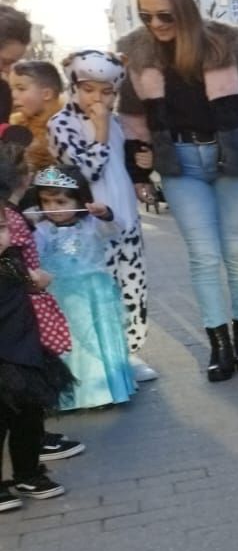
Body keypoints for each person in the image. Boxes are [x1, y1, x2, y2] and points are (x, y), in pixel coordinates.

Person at [117, 0, 238, 382]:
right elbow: (132, 118)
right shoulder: (135, 51)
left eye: (165, 16)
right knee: (203, 255)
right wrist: (136, 169)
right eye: (147, 17)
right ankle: (220, 345)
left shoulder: (228, 41)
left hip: (234, 158)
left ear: (184, 9)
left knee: (237, 252)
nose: (156, 25)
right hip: (178, 163)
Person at [47, 50, 157, 382]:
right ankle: (103, 359)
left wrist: (142, 172)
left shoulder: (118, 122)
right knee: (100, 290)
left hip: (125, 219)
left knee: (132, 288)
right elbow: (87, 170)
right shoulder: (60, 124)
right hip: (89, 227)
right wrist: (99, 128)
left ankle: (130, 353)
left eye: (106, 90)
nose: (98, 97)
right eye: (89, 88)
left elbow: (122, 167)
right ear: (75, 86)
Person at [24, 165, 136, 410]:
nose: (53, 209)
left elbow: (118, 227)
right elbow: (34, 255)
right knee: (70, 343)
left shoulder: (91, 224)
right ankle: (74, 395)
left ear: (80, 200)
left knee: (98, 339)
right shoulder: (42, 230)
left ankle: (103, 391)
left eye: (61, 201)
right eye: (46, 202)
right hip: (60, 296)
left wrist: (106, 214)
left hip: (94, 293)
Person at [0, 137, 81, 468]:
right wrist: (36, 280)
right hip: (20, 319)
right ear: (24, 178)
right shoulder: (12, 216)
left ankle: (29, 461)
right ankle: (31, 455)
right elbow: (17, 267)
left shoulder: (14, 214)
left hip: (21, 315)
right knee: (22, 394)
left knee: (26, 396)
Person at [9, 61, 64, 174]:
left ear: (46, 94)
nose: (13, 95)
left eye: (21, 89)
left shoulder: (66, 130)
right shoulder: (14, 125)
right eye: (12, 89)